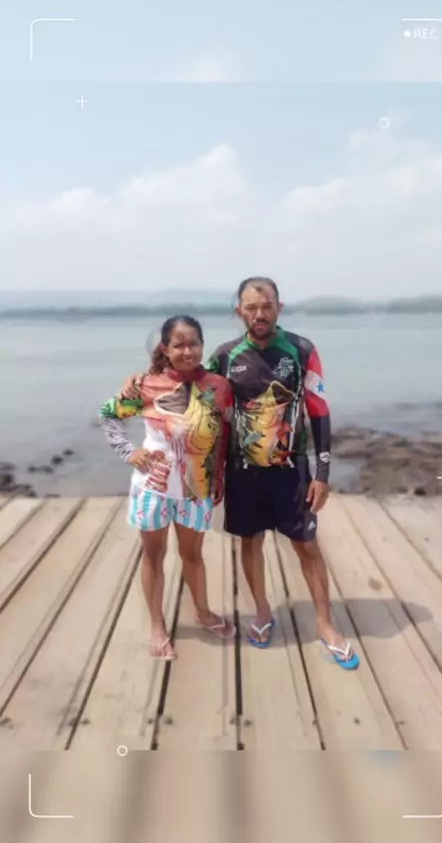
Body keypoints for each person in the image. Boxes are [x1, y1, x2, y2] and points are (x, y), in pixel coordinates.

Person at [121, 281, 359, 669]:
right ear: (239, 312)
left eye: (266, 306)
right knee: (250, 542)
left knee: (306, 546)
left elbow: (318, 410)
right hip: (242, 473)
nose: (259, 314)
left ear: (279, 307)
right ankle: (262, 612)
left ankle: (325, 624)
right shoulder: (225, 356)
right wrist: (142, 379)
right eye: (251, 308)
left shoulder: (302, 350)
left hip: (292, 471)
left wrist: (323, 472)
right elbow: (189, 381)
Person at [99, 315, 235, 661]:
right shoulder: (145, 385)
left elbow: (223, 436)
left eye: (193, 343)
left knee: (193, 555)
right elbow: (108, 416)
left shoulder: (218, 386)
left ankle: (202, 612)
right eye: (179, 345)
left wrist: (218, 477)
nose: (187, 351)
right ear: (166, 348)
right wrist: (129, 452)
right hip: (153, 488)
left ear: (202, 345)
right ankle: (157, 625)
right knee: (153, 555)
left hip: (195, 489)